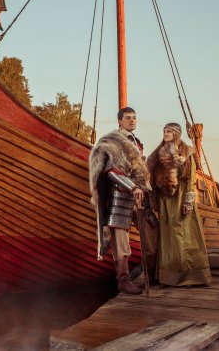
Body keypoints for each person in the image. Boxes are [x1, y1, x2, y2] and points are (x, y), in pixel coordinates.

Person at [89, 107, 152, 295]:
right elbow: (111, 171)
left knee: (151, 233)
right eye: (128, 118)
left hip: (138, 197)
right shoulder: (113, 141)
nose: (132, 121)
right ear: (119, 121)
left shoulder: (136, 143)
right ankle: (124, 281)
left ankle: (153, 273)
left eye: (134, 118)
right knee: (121, 242)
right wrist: (132, 187)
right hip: (121, 196)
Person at [146, 123, 211, 287]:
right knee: (168, 239)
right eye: (164, 131)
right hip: (165, 200)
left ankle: (189, 276)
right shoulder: (158, 153)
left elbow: (191, 179)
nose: (165, 133)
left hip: (181, 198)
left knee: (183, 237)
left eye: (169, 131)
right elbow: (151, 175)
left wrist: (189, 201)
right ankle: (169, 277)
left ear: (176, 134)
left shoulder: (187, 152)